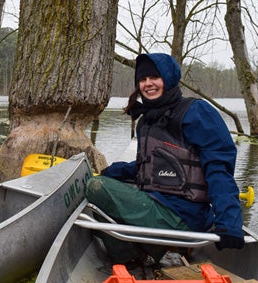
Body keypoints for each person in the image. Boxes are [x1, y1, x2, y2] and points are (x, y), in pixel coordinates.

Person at [86, 53, 244, 265]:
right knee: (107, 184)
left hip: (184, 216)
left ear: (168, 79)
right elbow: (151, 166)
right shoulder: (147, 121)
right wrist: (115, 171)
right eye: (142, 79)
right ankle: (143, 252)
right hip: (158, 205)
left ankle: (132, 257)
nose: (147, 84)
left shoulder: (196, 112)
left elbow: (219, 168)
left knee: (96, 187)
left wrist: (229, 221)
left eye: (154, 78)